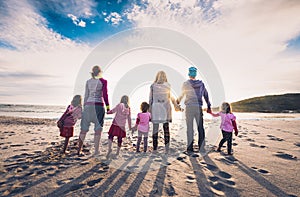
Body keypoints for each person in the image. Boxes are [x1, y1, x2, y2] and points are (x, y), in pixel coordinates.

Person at [177, 66, 212, 153]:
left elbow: (182, 95)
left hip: (189, 108)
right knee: (200, 127)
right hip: (198, 107)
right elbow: (206, 95)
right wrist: (209, 106)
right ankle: (201, 147)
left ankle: (190, 148)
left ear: (189, 74)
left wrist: (177, 102)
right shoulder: (201, 84)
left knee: (189, 128)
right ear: (195, 74)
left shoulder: (186, 84)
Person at [77, 65, 110, 156]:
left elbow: (86, 95)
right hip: (98, 106)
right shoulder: (103, 81)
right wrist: (108, 107)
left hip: (88, 106)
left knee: (83, 129)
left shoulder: (88, 82)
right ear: (100, 72)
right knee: (98, 129)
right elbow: (105, 95)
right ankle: (96, 151)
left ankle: (79, 150)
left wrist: (84, 107)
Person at [149, 71, 180, 154]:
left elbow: (150, 99)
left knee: (155, 129)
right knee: (166, 129)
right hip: (165, 108)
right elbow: (171, 97)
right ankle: (167, 150)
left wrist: (149, 110)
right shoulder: (168, 85)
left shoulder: (153, 86)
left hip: (156, 108)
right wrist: (175, 105)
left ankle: (155, 149)